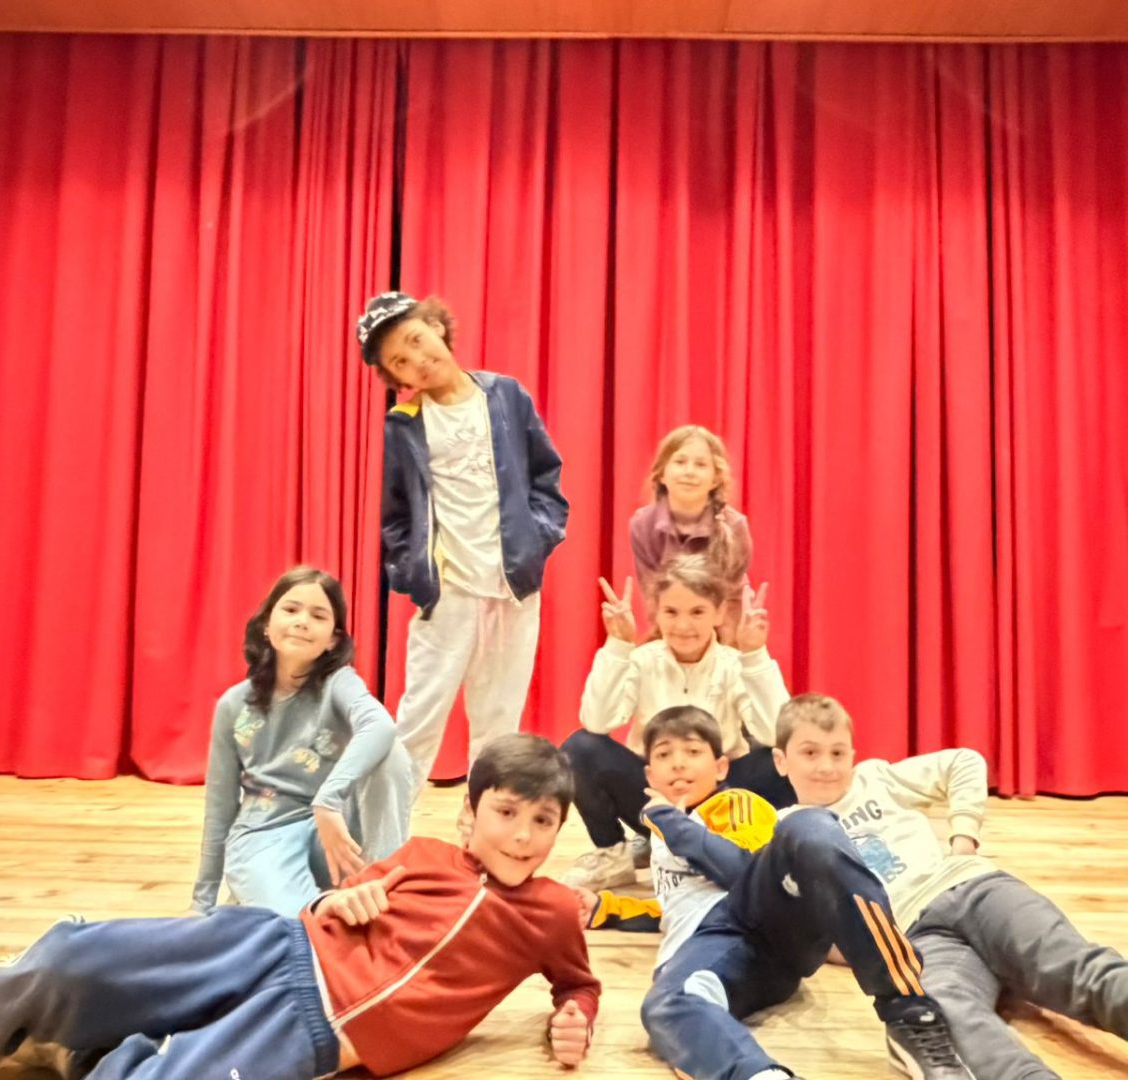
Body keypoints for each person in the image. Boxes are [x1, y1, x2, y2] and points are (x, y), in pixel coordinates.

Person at [0, 734, 600, 1079]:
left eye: (542, 822)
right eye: (506, 812)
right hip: (277, 946)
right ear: (469, 814)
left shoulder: (553, 912)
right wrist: (349, 894)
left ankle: (84, 1051)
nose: (522, 836)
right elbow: (342, 898)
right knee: (81, 956)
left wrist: (574, 1017)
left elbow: (578, 982)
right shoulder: (426, 853)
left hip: (313, 1029)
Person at [773, 692, 1128, 1080]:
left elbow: (964, 762)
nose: (827, 767)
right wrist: (861, 948)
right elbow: (790, 921)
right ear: (780, 760)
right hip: (915, 939)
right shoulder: (785, 829)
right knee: (946, 1015)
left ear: (854, 753)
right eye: (810, 753)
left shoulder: (877, 778)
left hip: (972, 888)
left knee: (1082, 969)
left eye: (838, 752)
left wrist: (963, 837)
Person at [581, 705, 972, 1080]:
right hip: (717, 957)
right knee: (667, 1004)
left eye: (693, 752)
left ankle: (909, 1010)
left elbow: (740, 871)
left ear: (721, 767)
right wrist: (607, 908)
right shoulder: (666, 834)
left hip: (765, 919)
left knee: (809, 827)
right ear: (649, 775)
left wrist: (670, 823)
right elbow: (679, 908)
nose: (679, 764)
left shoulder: (732, 805)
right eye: (665, 754)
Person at [358, 292, 568, 798]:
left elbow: (546, 477)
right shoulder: (405, 424)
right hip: (449, 593)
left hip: (513, 588)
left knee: (498, 720)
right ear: (396, 378)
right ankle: (384, 829)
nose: (417, 359)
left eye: (416, 340)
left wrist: (535, 542)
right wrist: (416, 576)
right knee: (418, 717)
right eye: (400, 362)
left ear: (436, 326)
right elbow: (396, 517)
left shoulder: (506, 395)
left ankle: (483, 824)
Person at [192, 566, 414, 916]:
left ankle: (382, 886)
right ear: (266, 626)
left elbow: (381, 726)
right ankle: (283, 897)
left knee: (390, 753)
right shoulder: (233, 705)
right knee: (301, 927)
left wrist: (328, 799)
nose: (302, 622)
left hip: (331, 835)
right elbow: (219, 809)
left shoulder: (339, 683)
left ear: (333, 640)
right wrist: (201, 902)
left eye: (318, 615)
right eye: (291, 609)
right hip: (265, 833)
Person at [562, 553, 790, 890]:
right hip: (656, 794)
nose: (683, 626)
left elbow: (777, 734)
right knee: (580, 747)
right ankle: (614, 854)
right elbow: (597, 722)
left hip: (725, 799)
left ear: (719, 612)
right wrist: (617, 646)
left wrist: (755, 655)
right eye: (671, 612)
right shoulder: (642, 660)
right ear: (656, 612)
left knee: (784, 759)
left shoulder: (733, 663)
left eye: (697, 612)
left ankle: (764, 851)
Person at [630, 424, 754, 645]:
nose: (689, 472)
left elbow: (731, 600)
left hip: (726, 636)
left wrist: (720, 652)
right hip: (671, 632)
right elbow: (653, 596)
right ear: (662, 474)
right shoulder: (642, 524)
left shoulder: (735, 526)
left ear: (715, 479)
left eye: (700, 465)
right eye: (680, 462)